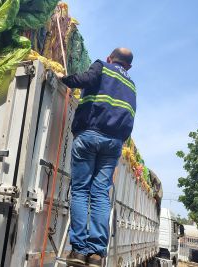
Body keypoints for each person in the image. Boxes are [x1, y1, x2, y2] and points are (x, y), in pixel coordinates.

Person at [56, 48, 136, 267]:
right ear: (128, 67)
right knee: (100, 193)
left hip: (90, 134)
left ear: (111, 58)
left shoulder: (102, 66)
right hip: (114, 143)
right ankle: (97, 255)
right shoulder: (131, 85)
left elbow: (85, 79)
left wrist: (63, 79)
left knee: (81, 190)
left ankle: (79, 251)